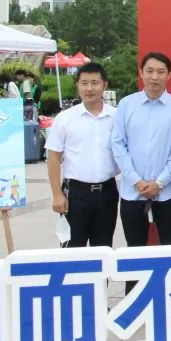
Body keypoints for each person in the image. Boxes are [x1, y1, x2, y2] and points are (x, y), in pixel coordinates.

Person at [112, 52, 171, 249]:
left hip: (167, 192)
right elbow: (118, 145)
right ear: (141, 73)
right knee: (134, 249)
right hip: (132, 191)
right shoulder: (126, 105)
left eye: (161, 72)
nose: (155, 77)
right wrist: (136, 181)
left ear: (169, 75)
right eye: (150, 71)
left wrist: (159, 182)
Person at [46, 62, 118, 247]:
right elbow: (53, 157)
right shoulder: (65, 118)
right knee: (72, 250)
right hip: (75, 194)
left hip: (107, 192)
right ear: (77, 85)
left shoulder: (117, 117)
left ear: (105, 85)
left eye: (95, 83)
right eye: (84, 83)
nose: (89, 88)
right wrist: (57, 194)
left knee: (103, 250)